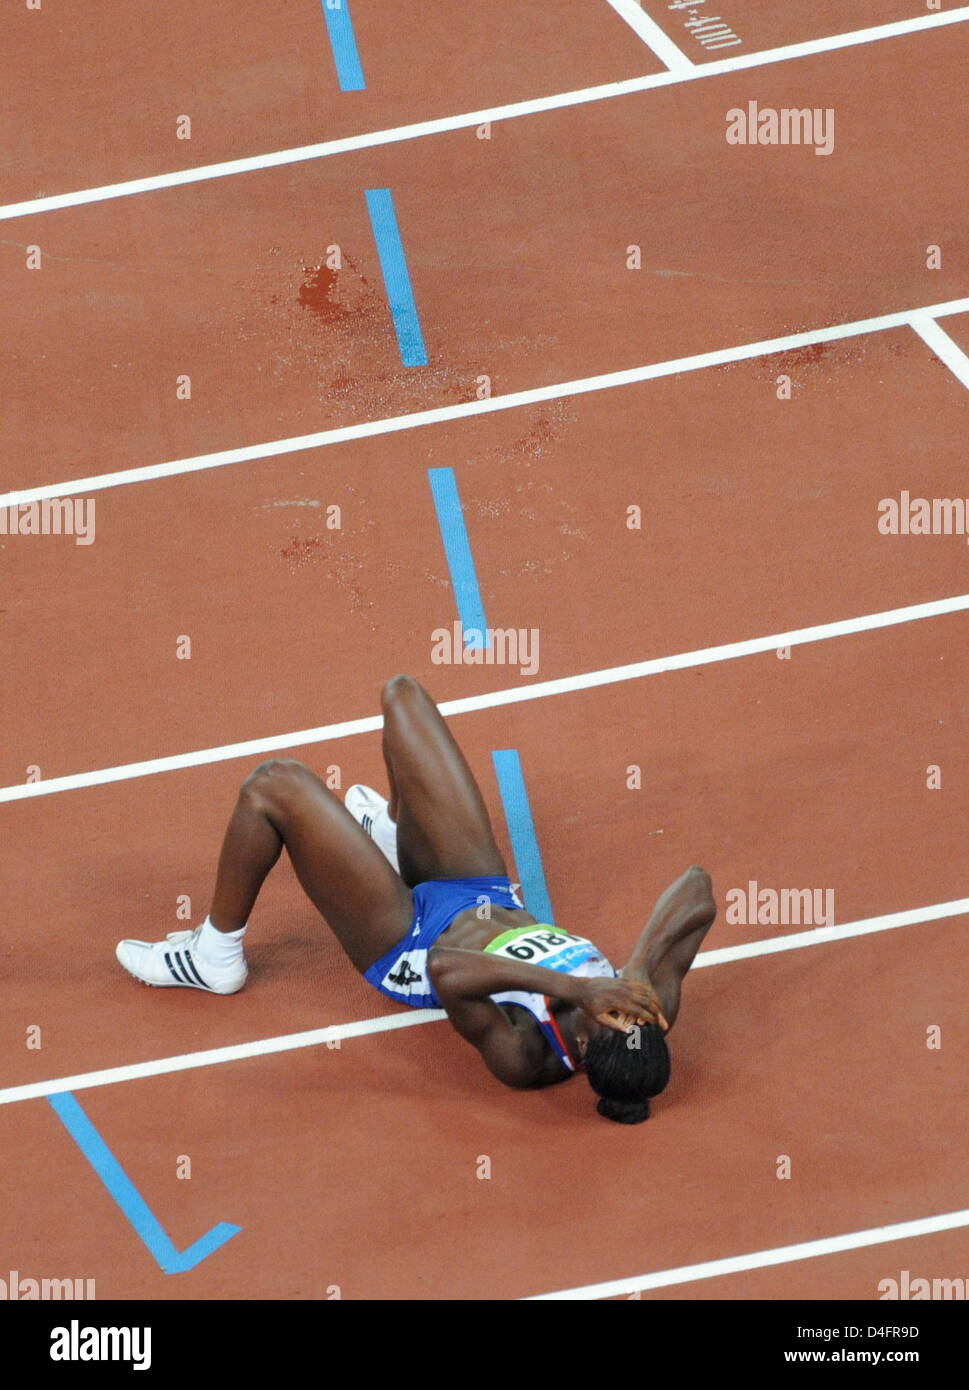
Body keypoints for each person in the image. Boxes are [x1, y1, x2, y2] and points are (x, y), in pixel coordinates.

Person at [117, 676, 716, 1122]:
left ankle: (213, 955)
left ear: (585, 1043)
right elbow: (696, 890)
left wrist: (582, 987)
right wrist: (635, 972)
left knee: (273, 785)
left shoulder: (529, 1058)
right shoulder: (643, 1011)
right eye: (640, 1014)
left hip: (411, 940)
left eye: (616, 1015)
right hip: (480, 896)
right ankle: (395, 842)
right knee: (404, 698)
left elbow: (446, 971)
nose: (627, 1008)